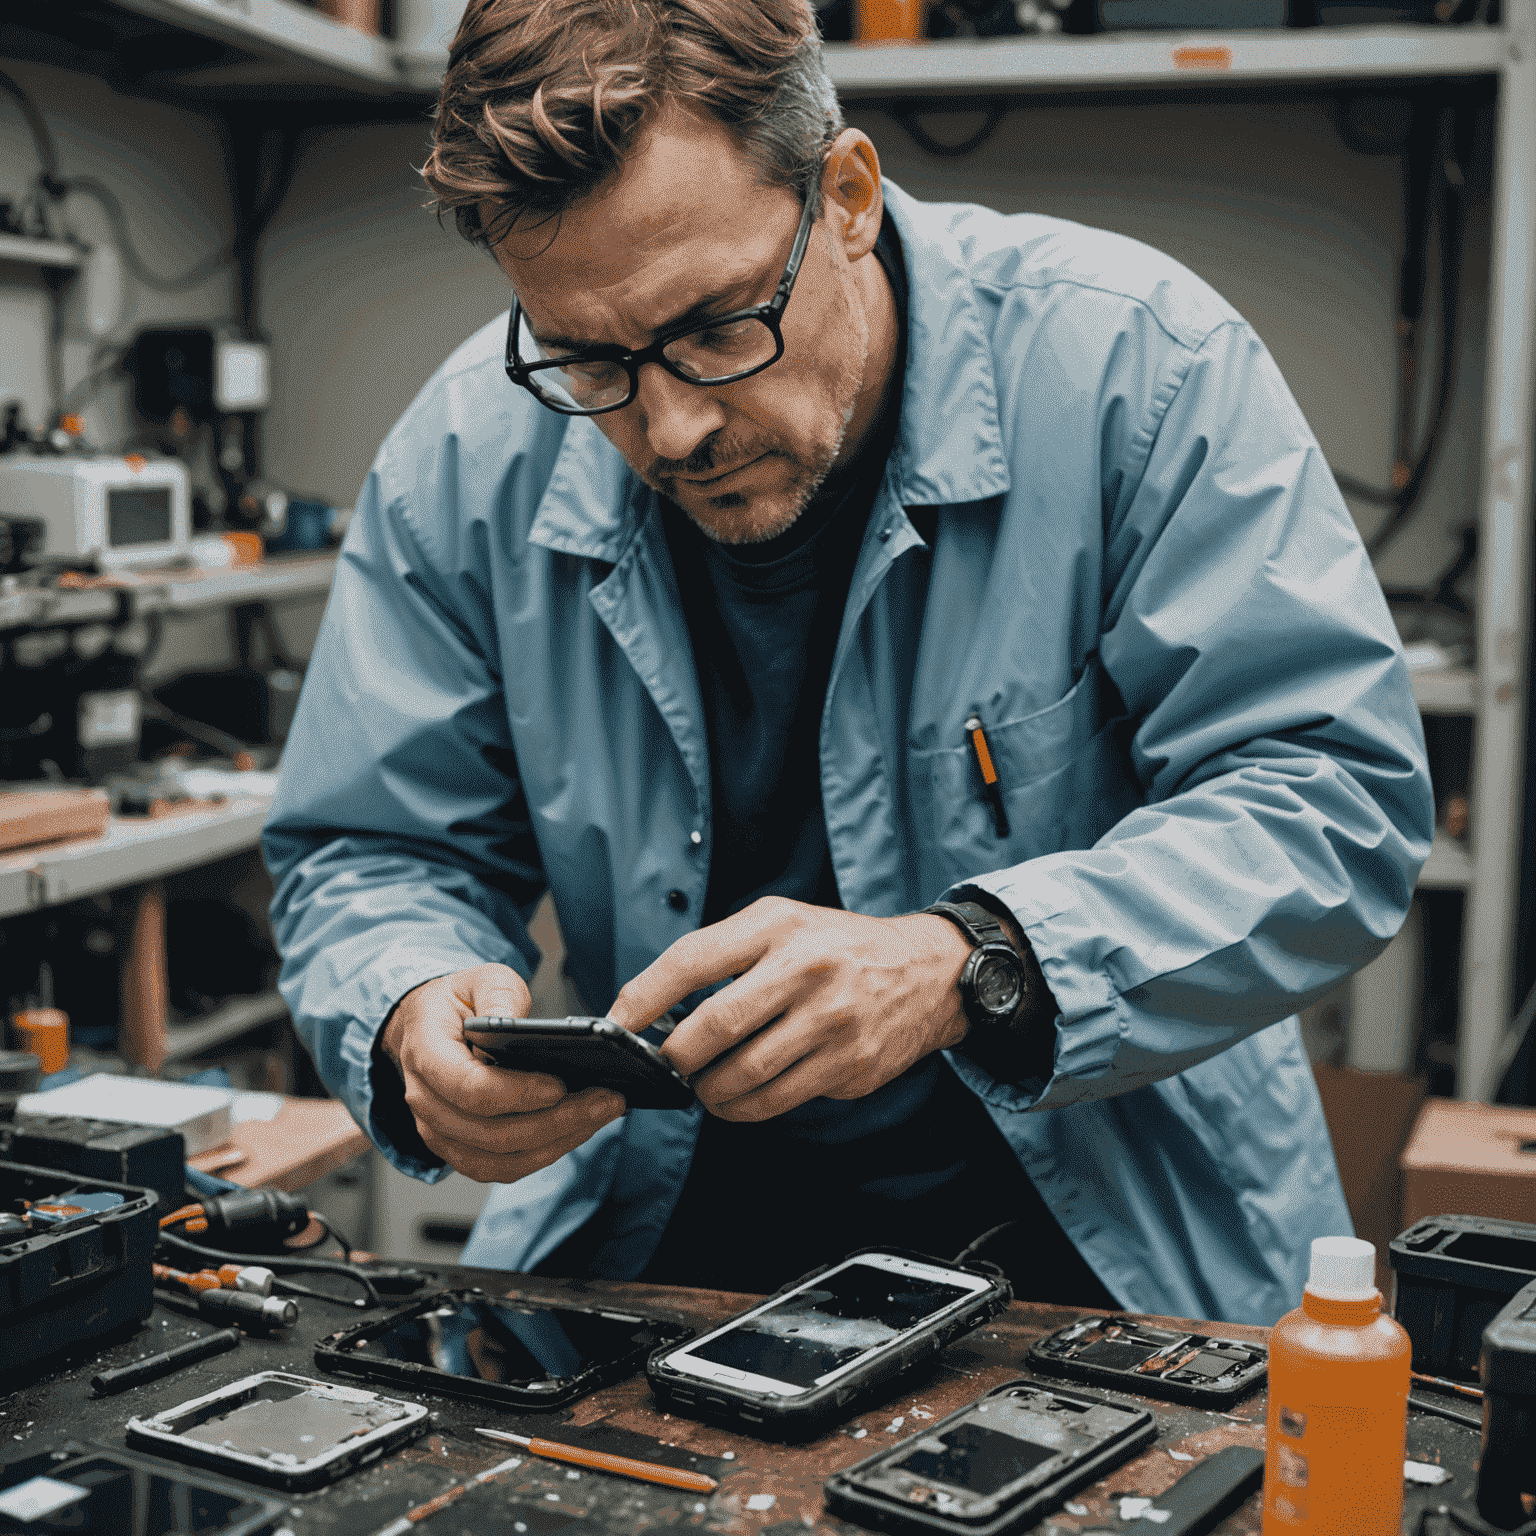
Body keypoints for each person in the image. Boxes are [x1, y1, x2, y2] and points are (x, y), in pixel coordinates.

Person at [264, 0, 1433, 1326]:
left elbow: (1332, 800)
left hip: (1106, 1267)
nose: (674, 423)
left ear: (852, 193)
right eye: (591, 357)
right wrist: (410, 1008)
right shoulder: (468, 455)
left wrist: (971, 963)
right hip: (670, 1260)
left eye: (714, 326)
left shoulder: (1138, 369)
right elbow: (371, 850)